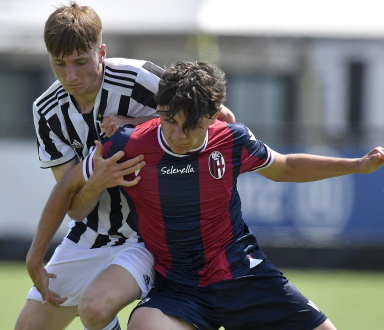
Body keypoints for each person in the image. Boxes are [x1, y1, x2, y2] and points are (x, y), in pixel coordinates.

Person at [37, 61, 384, 329]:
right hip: (179, 287)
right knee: (142, 325)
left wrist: (355, 164)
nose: (177, 134)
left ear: (213, 118)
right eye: (169, 121)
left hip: (243, 275)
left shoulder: (233, 140)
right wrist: (35, 255)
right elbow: (67, 186)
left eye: (190, 126)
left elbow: (286, 167)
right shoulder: (129, 144)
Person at [16, 3, 235, 330]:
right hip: (96, 232)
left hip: (158, 235)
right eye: (59, 64)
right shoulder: (46, 110)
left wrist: (132, 123)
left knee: (96, 308)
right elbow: (74, 207)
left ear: (101, 51)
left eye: (80, 62)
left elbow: (220, 117)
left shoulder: (137, 79)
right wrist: (98, 182)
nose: (70, 76)